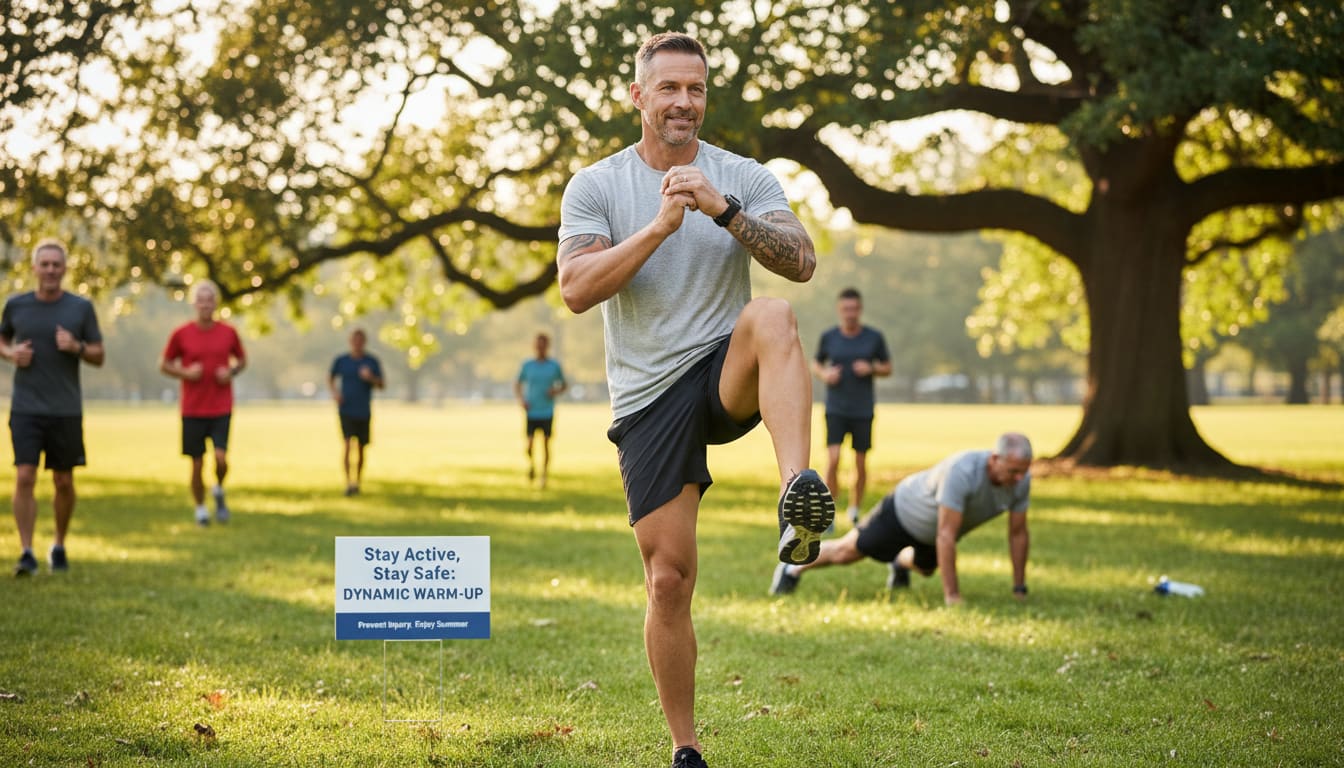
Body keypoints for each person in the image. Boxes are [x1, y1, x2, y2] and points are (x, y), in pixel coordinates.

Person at [556, 32, 835, 768]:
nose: (685, 102)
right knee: (669, 579)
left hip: (722, 369)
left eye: (697, 89)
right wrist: (657, 227)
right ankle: (685, 747)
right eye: (670, 88)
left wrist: (723, 209)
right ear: (638, 96)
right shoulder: (596, 185)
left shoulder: (742, 174)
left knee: (772, 314)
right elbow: (577, 289)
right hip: (648, 397)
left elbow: (802, 262)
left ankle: (797, 494)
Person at [771, 432, 1033, 605]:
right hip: (903, 510)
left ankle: (899, 562)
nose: (1019, 478)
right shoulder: (963, 471)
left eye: (1023, 472)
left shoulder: (1020, 483)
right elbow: (946, 535)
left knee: (927, 567)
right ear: (995, 458)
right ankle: (793, 567)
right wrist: (952, 596)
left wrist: (1019, 588)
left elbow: (1018, 533)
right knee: (847, 552)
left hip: (931, 531)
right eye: (1013, 471)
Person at [0, 239, 104, 576]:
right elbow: (1, 339)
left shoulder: (80, 308)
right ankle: (26, 551)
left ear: (65, 269)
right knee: (25, 476)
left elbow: (99, 355)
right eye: (44, 264)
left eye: (56, 265)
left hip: (65, 409)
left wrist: (76, 346)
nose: (50, 270)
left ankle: (58, 544)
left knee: (63, 481)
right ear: (34, 268)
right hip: (26, 407)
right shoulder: (16, 306)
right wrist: (10, 354)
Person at [159, 280, 246, 526]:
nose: (206, 304)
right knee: (196, 463)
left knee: (220, 458)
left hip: (221, 406)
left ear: (216, 303)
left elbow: (241, 361)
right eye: (201, 299)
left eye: (210, 299)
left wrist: (231, 372)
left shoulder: (228, 332)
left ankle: (218, 488)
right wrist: (185, 373)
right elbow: (164, 364)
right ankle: (200, 509)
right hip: (193, 408)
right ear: (194, 303)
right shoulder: (181, 333)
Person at [813, 287, 891, 526]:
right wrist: (825, 374)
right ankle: (830, 513)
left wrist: (871, 369)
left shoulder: (873, 337)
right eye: (846, 309)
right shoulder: (829, 337)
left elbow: (887, 367)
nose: (850, 313)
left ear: (860, 309)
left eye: (854, 308)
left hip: (862, 408)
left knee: (859, 461)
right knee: (833, 459)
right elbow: (816, 363)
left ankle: (855, 510)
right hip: (836, 407)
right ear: (840, 310)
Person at [329, 328, 385, 496]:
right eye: (355, 340)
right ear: (350, 341)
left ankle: (357, 482)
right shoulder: (342, 360)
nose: (357, 343)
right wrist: (335, 393)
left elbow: (382, 384)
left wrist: (370, 378)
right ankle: (348, 483)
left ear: (364, 342)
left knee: (361, 448)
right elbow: (330, 377)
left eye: (360, 340)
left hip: (363, 410)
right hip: (346, 409)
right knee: (347, 444)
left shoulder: (371, 362)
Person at [514, 332, 567, 489]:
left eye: (543, 345)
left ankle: (544, 475)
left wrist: (554, 391)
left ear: (547, 346)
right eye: (538, 344)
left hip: (547, 411)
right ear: (534, 346)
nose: (540, 348)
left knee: (545, 444)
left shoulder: (554, 366)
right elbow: (517, 384)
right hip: (531, 411)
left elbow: (563, 385)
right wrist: (521, 400)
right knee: (529, 444)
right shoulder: (527, 365)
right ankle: (532, 465)